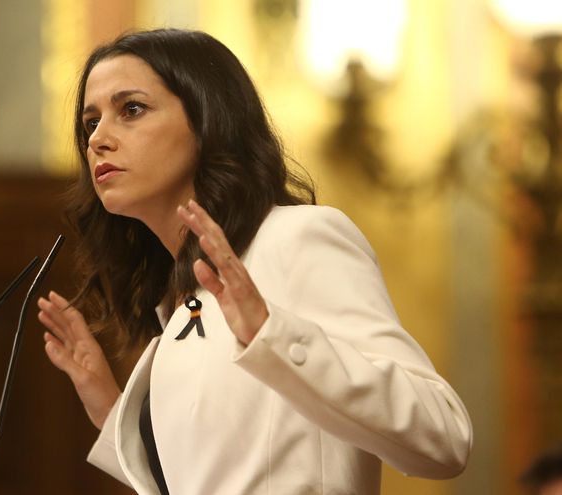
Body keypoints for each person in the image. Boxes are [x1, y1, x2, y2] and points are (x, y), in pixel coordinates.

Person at [36, 28, 472, 494]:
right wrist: (112, 409)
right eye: (90, 122)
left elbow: (442, 436)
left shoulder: (295, 238)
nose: (99, 139)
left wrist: (272, 334)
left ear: (207, 121)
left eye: (132, 110)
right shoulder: (183, 297)